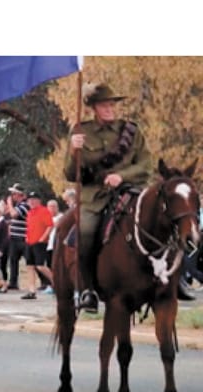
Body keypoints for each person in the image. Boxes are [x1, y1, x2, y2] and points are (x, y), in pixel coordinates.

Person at [66, 82, 151, 313]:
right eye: (104, 105)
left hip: (131, 191)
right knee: (85, 232)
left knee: (165, 219)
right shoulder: (80, 132)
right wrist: (74, 151)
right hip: (96, 197)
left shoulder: (131, 131)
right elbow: (70, 174)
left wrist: (121, 176)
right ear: (94, 108)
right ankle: (87, 290)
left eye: (112, 104)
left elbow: (146, 165)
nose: (109, 109)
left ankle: (170, 280)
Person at [20, 192, 54, 300]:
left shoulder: (44, 211)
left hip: (40, 242)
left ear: (39, 200)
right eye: (30, 200)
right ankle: (32, 290)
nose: (31, 202)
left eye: (34, 199)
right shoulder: (30, 212)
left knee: (40, 266)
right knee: (30, 266)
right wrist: (26, 238)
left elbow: (50, 226)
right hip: (30, 242)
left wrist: (43, 238)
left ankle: (56, 283)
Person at [6, 183, 29, 291]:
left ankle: (45, 281)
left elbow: (14, 214)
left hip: (22, 238)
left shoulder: (24, 205)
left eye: (14, 194)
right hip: (15, 237)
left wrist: (9, 204)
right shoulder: (18, 206)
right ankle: (13, 282)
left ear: (19, 195)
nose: (12, 196)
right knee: (13, 260)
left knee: (30, 260)